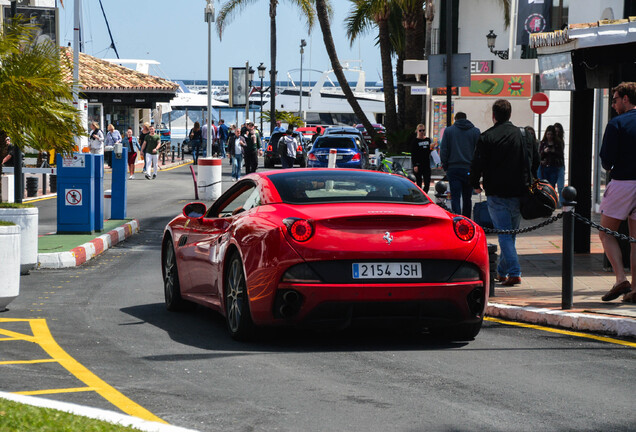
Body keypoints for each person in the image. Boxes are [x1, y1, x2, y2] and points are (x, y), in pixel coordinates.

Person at [470, 99, 539, 287]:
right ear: (510, 114)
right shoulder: (524, 135)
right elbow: (536, 160)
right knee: (510, 234)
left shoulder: (486, 137)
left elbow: (477, 164)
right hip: (519, 191)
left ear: (493, 116)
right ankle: (501, 271)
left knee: (505, 233)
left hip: (496, 192)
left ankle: (514, 272)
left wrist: (475, 184)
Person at [598, 82, 636, 303]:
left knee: (605, 232)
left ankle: (621, 279)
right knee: (635, 239)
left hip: (623, 182)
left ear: (625, 99)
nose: (613, 105)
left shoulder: (617, 124)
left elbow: (606, 160)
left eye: (614, 100)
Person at [440, 112, 480, 217]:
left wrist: (445, 166)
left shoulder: (448, 131)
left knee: (455, 198)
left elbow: (444, 150)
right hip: (469, 169)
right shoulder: (475, 132)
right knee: (467, 198)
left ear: (455, 119)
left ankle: (457, 221)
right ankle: (467, 220)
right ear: (466, 118)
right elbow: (479, 153)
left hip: (453, 169)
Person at [538, 124, 565, 189]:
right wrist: (544, 151)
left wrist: (554, 151)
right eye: (548, 134)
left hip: (554, 167)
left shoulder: (557, 143)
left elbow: (561, 155)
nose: (549, 136)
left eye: (551, 134)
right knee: (544, 185)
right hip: (544, 167)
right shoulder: (543, 143)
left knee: (551, 185)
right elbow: (539, 155)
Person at [409, 123, 433, 193]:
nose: (422, 132)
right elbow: (413, 154)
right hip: (418, 164)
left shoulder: (428, 140)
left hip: (426, 164)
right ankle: (419, 195)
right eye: (420, 130)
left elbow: (429, 151)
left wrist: (431, 148)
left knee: (427, 182)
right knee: (418, 182)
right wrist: (415, 165)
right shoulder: (415, 141)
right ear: (417, 131)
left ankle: (424, 194)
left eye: (423, 130)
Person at [553, 122, 566, 204]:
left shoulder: (561, 141)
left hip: (560, 165)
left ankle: (561, 203)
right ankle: (554, 202)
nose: (557, 133)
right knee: (552, 186)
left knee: (561, 186)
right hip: (553, 165)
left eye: (558, 131)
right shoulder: (552, 141)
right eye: (555, 132)